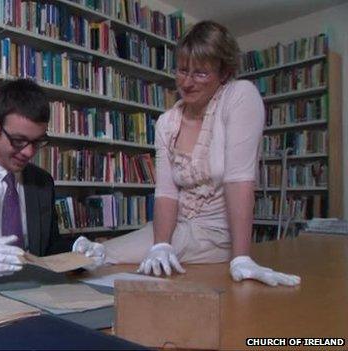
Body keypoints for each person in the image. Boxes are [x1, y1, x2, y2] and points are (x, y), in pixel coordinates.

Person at [75, 21, 301, 287]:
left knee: (107, 255)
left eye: (201, 74)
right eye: (182, 71)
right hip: (175, 229)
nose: (187, 82)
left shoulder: (240, 97)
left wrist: (241, 257)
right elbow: (167, 192)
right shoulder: (167, 122)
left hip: (216, 236)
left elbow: (239, 180)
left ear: (224, 73)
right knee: (97, 257)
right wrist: (160, 244)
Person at [0, 78, 105, 278]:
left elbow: (47, 249)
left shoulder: (43, 182)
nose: (28, 152)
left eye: (37, 142)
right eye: (18, 141)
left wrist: (77, 250)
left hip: (36, 291)